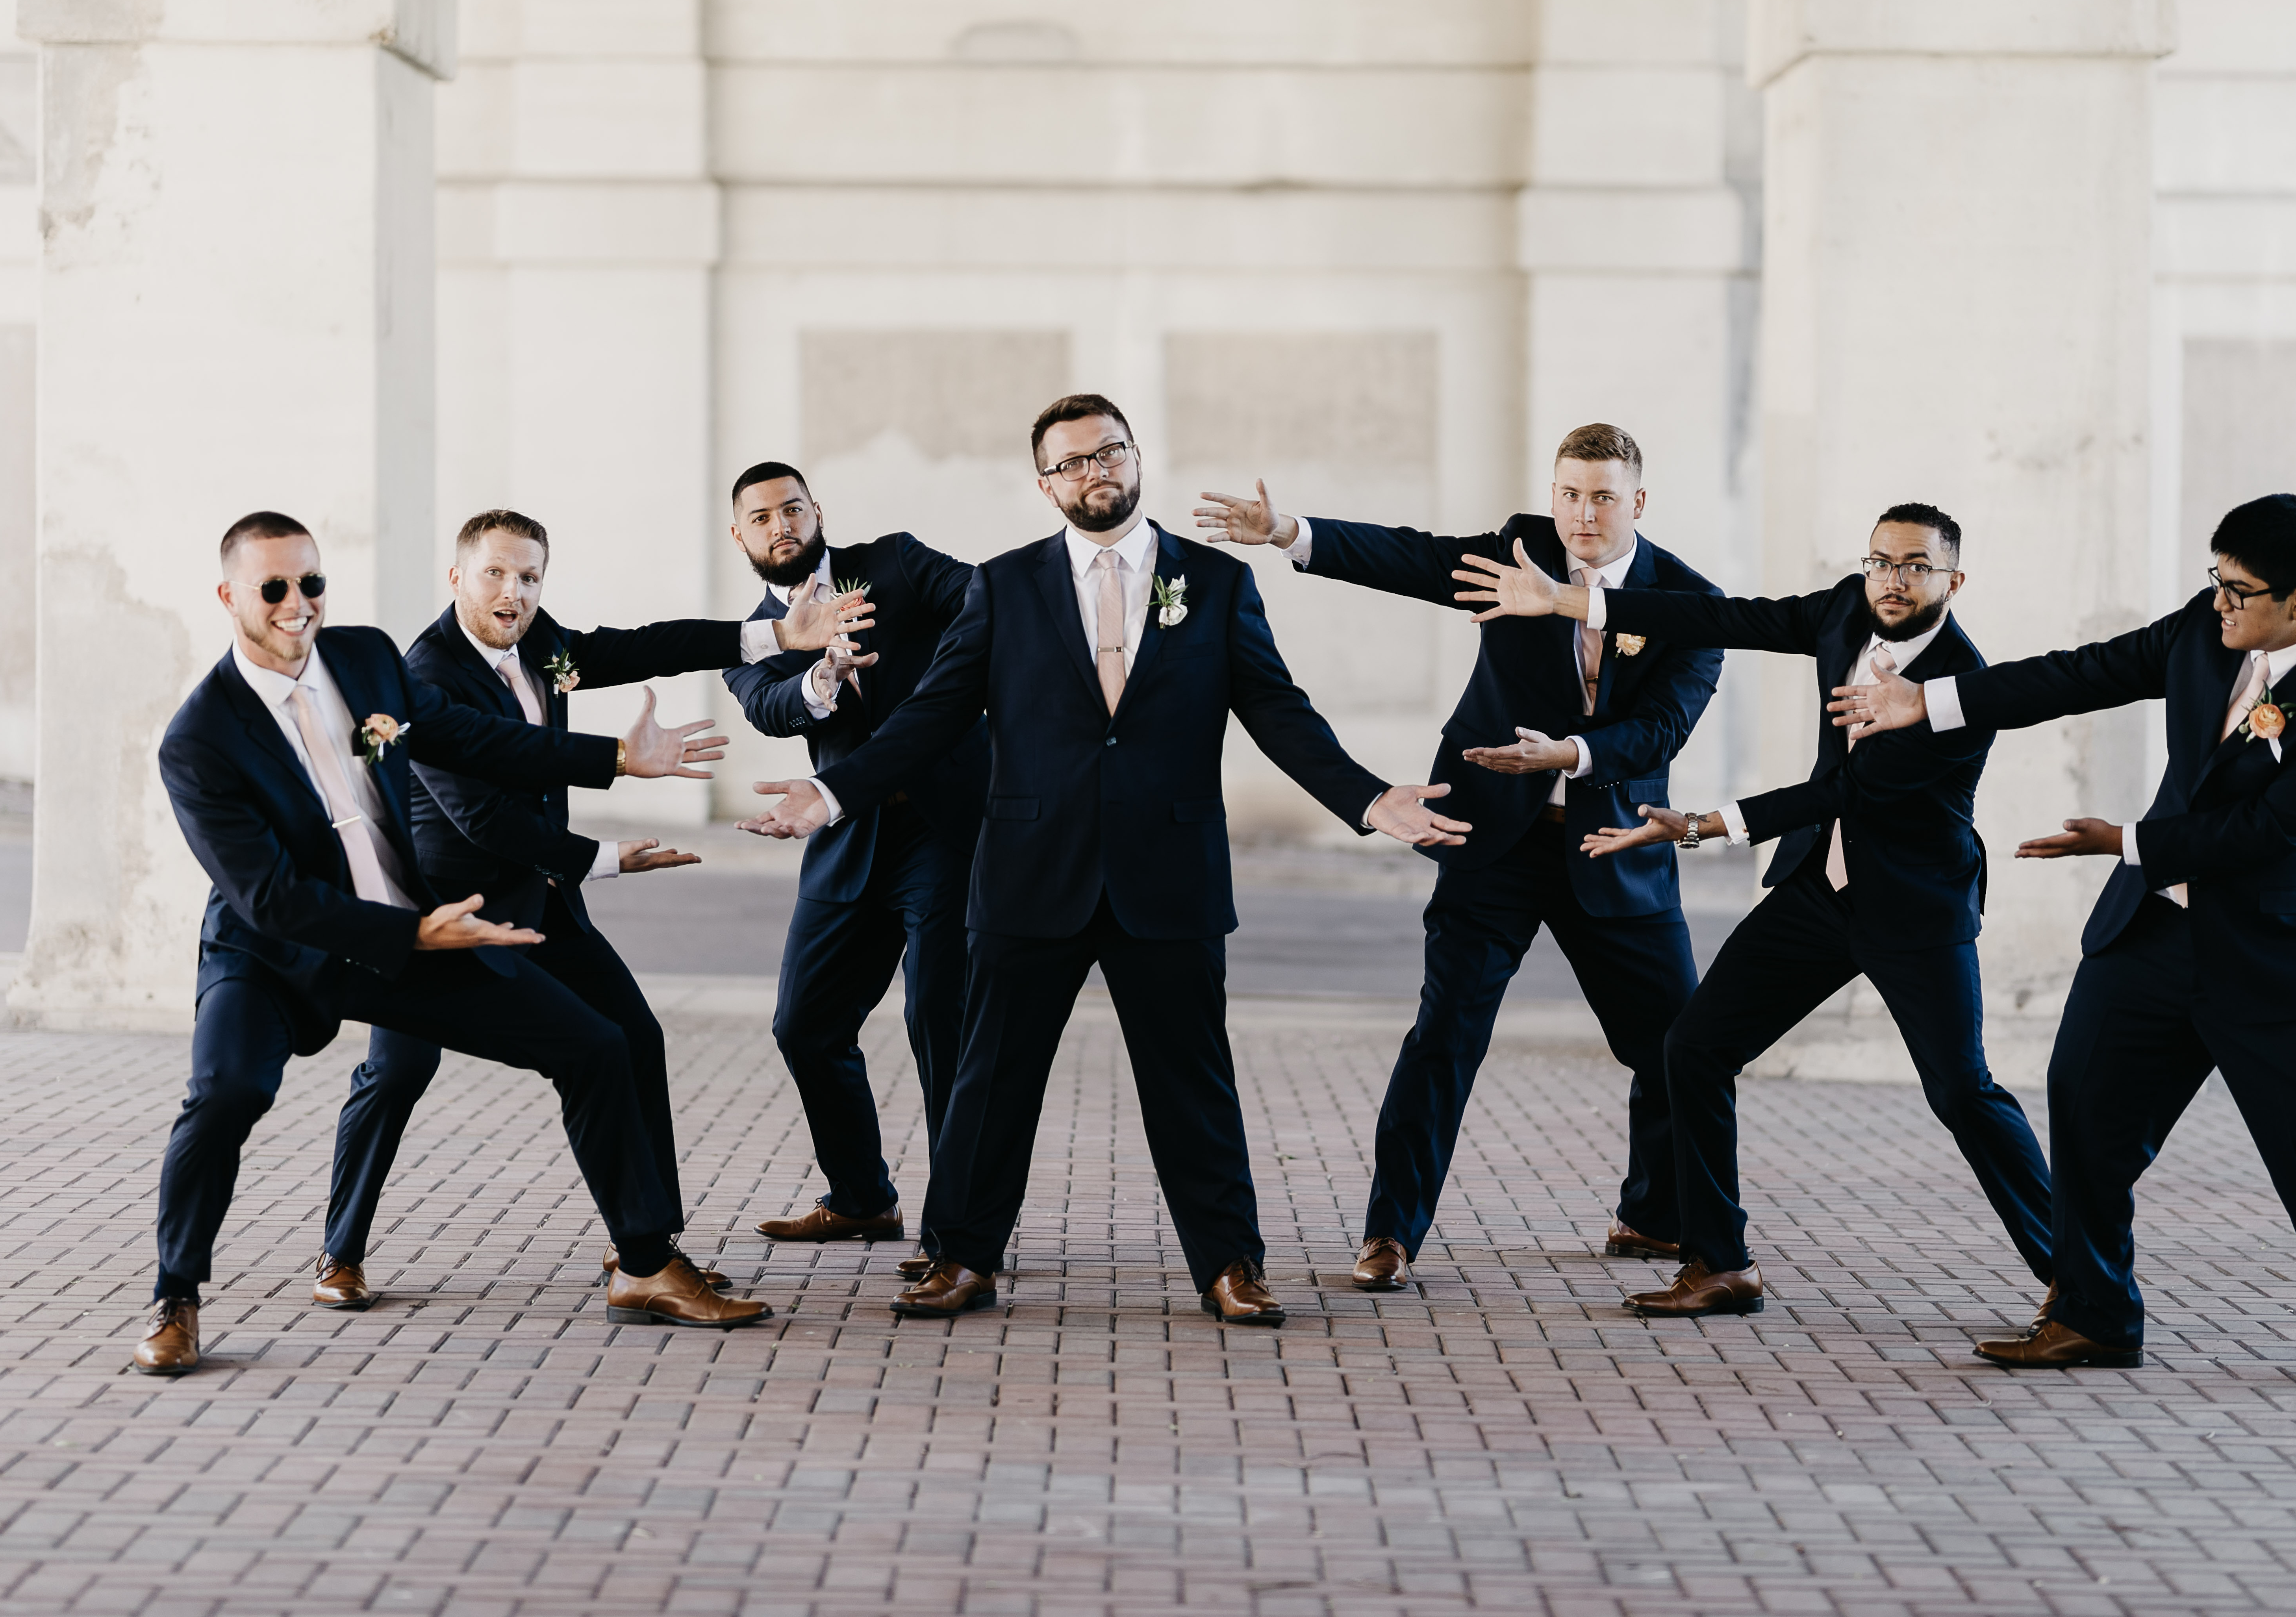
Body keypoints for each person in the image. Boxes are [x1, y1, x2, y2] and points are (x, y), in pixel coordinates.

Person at [741, 394, 1468, 1326]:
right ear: (1046, 484)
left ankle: (1230, 1265)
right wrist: (833, 792)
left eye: (1110, 452)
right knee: (991, 1080)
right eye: (1073, 462)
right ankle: (962, 1255)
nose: (1096, 471)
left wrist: (1367, 798)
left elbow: (1278, 711)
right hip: (1028, 871)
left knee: (1192, 1082)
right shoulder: (1002, 586)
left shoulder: (1215, 581)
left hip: (1168, 874)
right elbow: (932, 716)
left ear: (1136, 458)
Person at [1831, 493, 2296, 1395]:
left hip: (2278, 952)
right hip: (2157, 931)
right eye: (2216, 580)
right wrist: (1928, 700)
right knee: (2084, 1102)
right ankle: (2091, 1315)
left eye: (2240, 591)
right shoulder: (2205, 630)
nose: (2220, 603)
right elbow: (2079, 674)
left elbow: (2267, 831)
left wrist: (2125, 841)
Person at [141, 513, 767, 1375]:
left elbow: (473, 738)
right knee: (227, 1093)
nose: (298, 604)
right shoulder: (199, 739)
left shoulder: (364, 660)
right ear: (229, 597)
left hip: (413, 932)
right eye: (274, 588)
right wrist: (415, 930)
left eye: (311, 583)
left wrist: (618, 758)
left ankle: (645, 1265)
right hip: (273, 955)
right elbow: (270, 897)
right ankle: (176, 1295)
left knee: (596, 1045)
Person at [1454, 504, 2055, 1320]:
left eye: (1917, 566)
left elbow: (1847, 790)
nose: (1894, 580)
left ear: (1954, 580)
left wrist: (1700, 826)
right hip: (1819, 889)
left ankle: (2076, 1276)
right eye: (1882, 562)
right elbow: (1724, 618)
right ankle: (1721, 1263)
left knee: (1963, 1093)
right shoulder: (1845, 610)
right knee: (1694, 1048)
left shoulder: (1961, 687)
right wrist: (1572, 601)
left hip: (1915, 910)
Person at [1192, 424, 1725, 1290]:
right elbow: (1410, 559)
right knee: (1445, 1035)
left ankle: (1656, 1216)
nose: (1583, 514)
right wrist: (1289, 532)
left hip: (1614, 845)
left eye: (1602, 497)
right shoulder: (1520, 552)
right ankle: (1390, 1234)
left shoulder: (1690, 601)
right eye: (1570, 494)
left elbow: (1663, 727)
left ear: (1638, 501)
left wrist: (1571, 755)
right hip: (1494, 840)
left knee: (1675, 1043)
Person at [310, 507, 859, 1310]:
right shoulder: (424, 676)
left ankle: (648, 1250)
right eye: (495, 574)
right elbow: (480, 817)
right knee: (398, 1071)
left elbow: (640, 647)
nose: (514, 592)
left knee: (632, 1039)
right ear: (458, 577)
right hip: (452, 916)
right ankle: (340, 1253)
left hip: (546, 903)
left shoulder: (540, 643)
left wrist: (773, 636)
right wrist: (604, 858)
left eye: (529, 577)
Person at [722, 462, 987, 1278]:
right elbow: (771, 708)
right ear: (740, 537)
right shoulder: (754, 641)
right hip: (846, 833)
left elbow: (986, 601)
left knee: (938, 1018)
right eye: (761, 518)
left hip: (945, 826)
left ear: (817, 512)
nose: (780, 526)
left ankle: (961, 1231)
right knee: (804, 1024)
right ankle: (863, 1198)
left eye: (792, 509)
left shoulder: (896, 563)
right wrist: (823, 672)